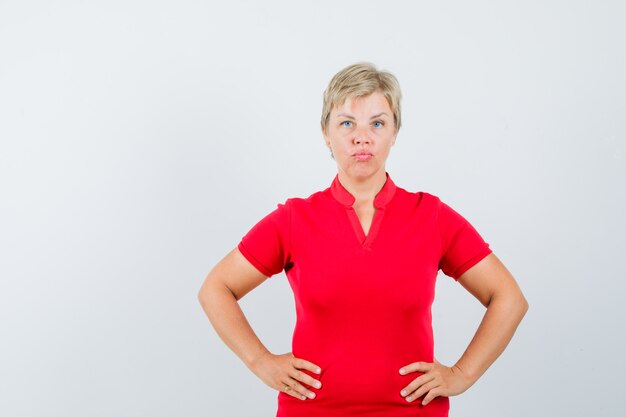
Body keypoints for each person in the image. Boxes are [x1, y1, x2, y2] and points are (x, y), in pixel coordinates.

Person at [198, 62, 529, 417]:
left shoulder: (431, 217)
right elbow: (216, 288)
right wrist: (260, 361)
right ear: (326, 134)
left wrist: (462, 374)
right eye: (346, 123)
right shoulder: (294, 220)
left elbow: (509, 298)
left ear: (394, 131)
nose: (362, 137)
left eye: (377, 123)